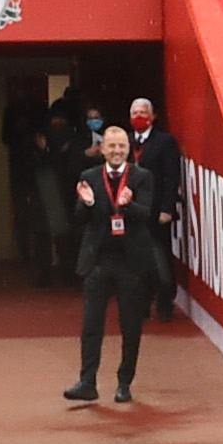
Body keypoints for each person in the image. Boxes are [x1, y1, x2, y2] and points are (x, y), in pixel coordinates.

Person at [66, 120, 164, 401]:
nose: (117, 150)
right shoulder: (89, 176)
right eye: (112, 146)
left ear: (128, 148)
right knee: (91, 325)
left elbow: (146, 214)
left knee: (131, 325)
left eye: (122, 146)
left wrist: (128, 204)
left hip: (131, 263)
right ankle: (87, 382)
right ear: (103, 149)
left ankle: (124, 383)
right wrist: (86, 203)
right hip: (98, 260)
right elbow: (79, 219)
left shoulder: (142, 176)